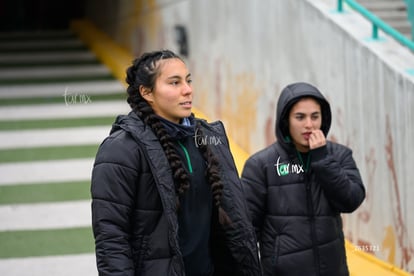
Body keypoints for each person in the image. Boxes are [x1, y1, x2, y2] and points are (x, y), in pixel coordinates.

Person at [91, 49, 261, 276]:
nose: (187, 90)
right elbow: (111, 236)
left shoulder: (211, 138)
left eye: (188, 81)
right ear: (147, 92)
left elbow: (234, 223)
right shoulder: (121, 149)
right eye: (174, 83)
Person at [241, 82, 366, 276]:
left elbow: (351, 200)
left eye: (315, 116)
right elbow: (246, 228)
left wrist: (323, 160)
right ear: (286, 121)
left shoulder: (339, 156)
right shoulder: (261, 165)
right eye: (300, 117)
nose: (309, 124)